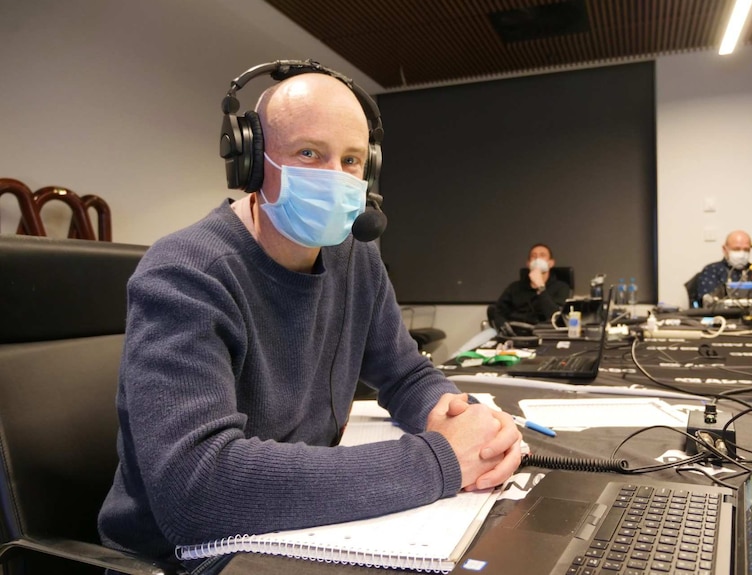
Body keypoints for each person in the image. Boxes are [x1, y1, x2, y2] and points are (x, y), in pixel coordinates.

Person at [97, 64, 521, 574]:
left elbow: (405, 373)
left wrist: (463, 423)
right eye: (309, 154)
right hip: (187, 556)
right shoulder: (186, 272)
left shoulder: (353, 256)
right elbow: (197, 489)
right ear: (252, 162)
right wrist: (438, 461)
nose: (336, 178)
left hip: (300, 528)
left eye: (351, 160)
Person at [490, 243, 569, 329]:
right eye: (533, 256)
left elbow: (555, 317)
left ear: (551, 263)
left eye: (542, 255)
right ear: (528, 263)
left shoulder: (561, 287)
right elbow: (498, 311)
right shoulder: (514, 287)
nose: (537, 259)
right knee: (477, 342)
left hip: (541, 332)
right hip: (512, 330)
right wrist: (503, 326)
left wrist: (541, 287)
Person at [696, 229, 752, 305]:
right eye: (736, 249)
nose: (742, 254)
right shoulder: (712, 270)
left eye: (746, 250)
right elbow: (708, 302)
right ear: (725, 249)